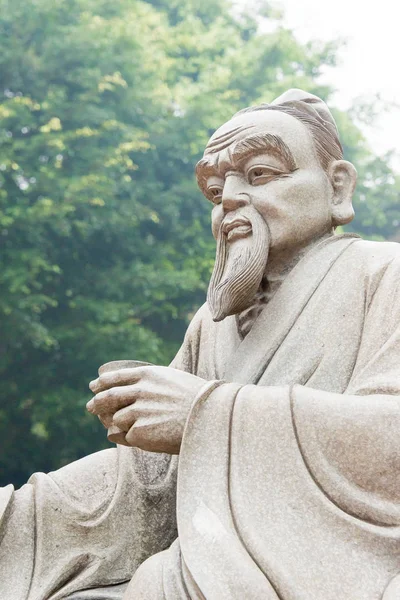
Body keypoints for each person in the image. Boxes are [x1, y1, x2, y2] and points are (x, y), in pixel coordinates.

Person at [1, 89, 400, 600]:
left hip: (334, 555)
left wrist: (203, 412)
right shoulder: (210, 326)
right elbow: (146, 480)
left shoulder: (382, 275)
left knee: (164, 585)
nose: (230, 198)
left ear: (336, 186)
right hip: (216, 548)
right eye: (215, 190)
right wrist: (22, 515)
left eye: (259, 174)